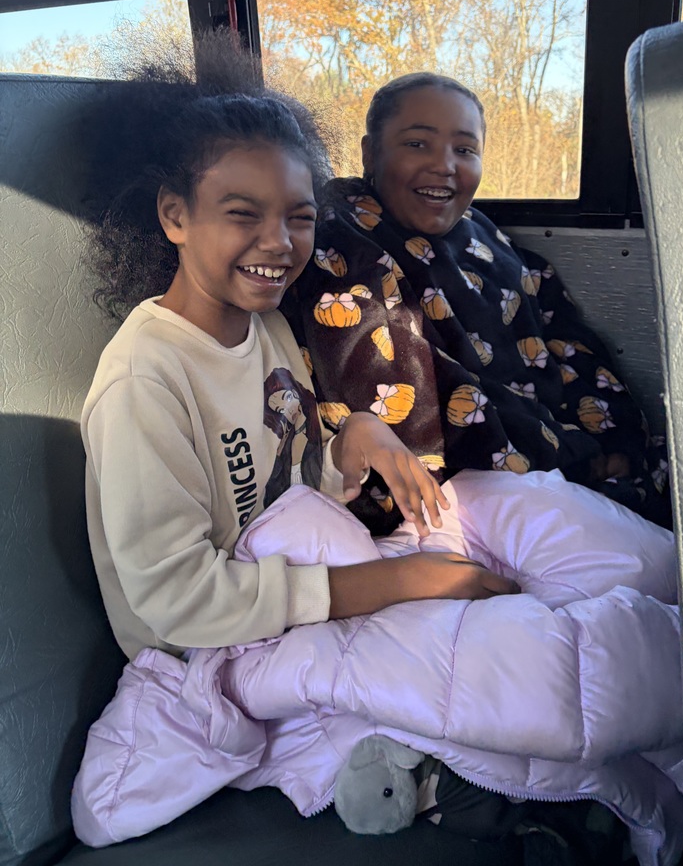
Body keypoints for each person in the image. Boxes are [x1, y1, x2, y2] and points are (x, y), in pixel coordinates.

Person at [80, 57, 516, 663]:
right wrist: (399, 583)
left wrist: (352, 443)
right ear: (175, 215)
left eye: (300, 217)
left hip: (292, 590)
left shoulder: (269, 328)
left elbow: (291, 484)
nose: (280, 241)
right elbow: (176, 599)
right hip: (207, 652)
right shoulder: (145, 380)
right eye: (242, 213)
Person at [287, 72, 671, 534]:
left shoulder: (483, 234)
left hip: (555, 446)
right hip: (470, 479)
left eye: (465, 150)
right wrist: (580, 463)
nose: (445, 165)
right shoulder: (340, 241)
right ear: (370, 153)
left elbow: (561, 335)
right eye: (417, 144)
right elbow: (406, 398)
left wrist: (615, 442)